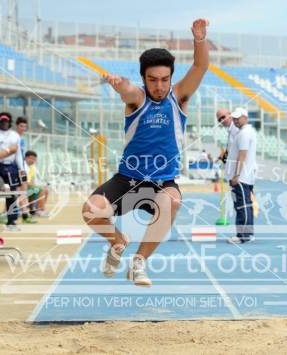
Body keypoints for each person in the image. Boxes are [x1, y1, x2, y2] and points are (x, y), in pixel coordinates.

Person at [82, 18, 209, 287]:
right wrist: (119, 85)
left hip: (162, 183)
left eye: (165, 80)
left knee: (172, 202)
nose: (159, 87)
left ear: (171, 78)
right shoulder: (136, 99)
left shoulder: (179, 97)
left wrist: (199, 39)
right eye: (152, 80)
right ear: (144, 78)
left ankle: (138, 262)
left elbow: (200, 66)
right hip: (127, 180)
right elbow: (127, 90)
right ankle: (118, 242)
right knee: (91, 211)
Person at [0, 112, 33, 231]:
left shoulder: (15, 136)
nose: (4, 124)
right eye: (2, 121)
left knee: (12, 195)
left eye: (6, 121)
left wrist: (22, 169)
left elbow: (18, 154)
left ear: (9, 122)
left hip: (11, 167)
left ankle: (12, 221)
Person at [227, 107, 257, 244]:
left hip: (241, 176)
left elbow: (242, 154)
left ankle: (243, 236)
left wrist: (236, 175)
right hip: (245, 175)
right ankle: (248, 234)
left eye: (238, 118)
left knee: (242, 205)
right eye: (234, 118)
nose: (235, 120)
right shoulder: (246, 132)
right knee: (246, 205)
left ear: (246, 117)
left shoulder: (244, 133)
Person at [15, 117, 33, 222]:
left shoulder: (21, 139)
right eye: (21, 126)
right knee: (19, 191)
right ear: (17, 126)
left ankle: (25, 213)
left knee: (22, 191)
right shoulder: (14, 137)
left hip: (21, 167)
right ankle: (25, 213)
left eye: (25, 126)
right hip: (16, 168)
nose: (23, 128)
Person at [25, 150, 49, 216]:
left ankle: (36, 209)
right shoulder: (23, 166)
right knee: (41, 190)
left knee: (45, 189)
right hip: (22, 187)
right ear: (26, 158)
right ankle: (40, 210)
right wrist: (35, 186)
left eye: (34, 159)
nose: (33, 161)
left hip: (29, 187)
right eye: (31, 159)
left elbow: (31, 180)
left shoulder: (32, 167)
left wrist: (35, 185)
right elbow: (24, 182)